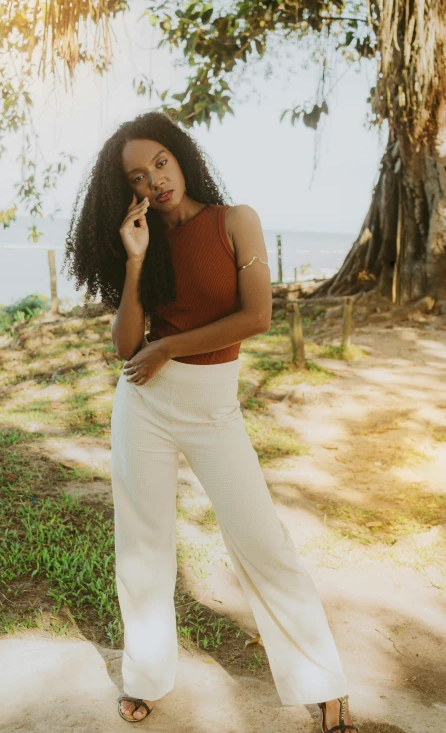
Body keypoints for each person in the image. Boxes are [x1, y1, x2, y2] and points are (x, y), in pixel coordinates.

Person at [64, 110, 359, 733]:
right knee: (142, 547)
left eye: (161, 163)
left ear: (181, 157)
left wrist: (169, 345)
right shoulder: (142, 239)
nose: (155, 181)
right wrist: (137, 261)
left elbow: (257, 317)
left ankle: (322, 680)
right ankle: (144, 676)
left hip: (212, 404)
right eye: (138, 176)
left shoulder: (234, 222)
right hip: (144, 403)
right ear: (129, 190)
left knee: (261, 541)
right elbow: (125, 346)